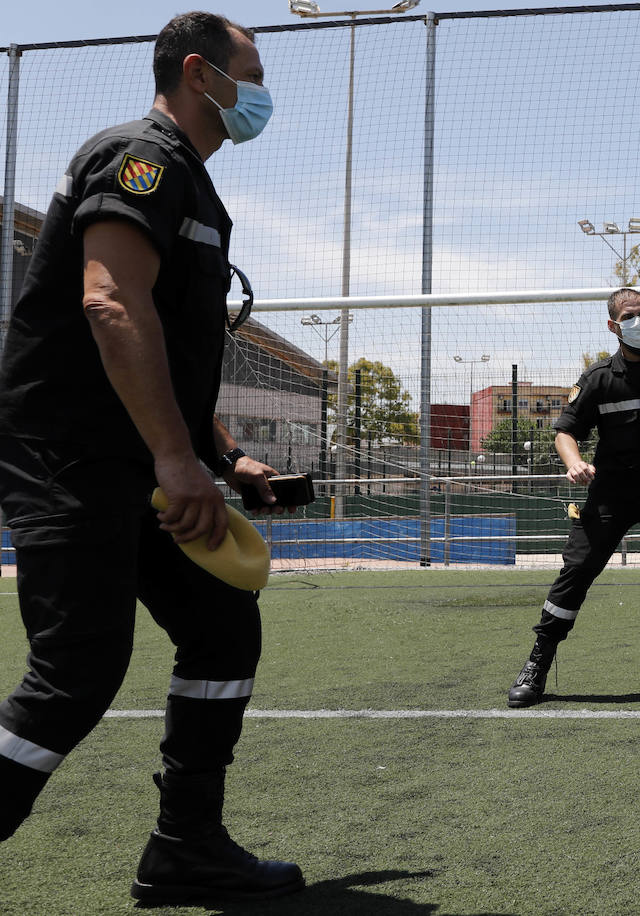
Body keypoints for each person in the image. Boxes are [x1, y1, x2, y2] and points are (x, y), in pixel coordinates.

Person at [0, 13, 304, 903]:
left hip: (141, 459)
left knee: (219, 625)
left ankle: (186, 847)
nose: (262, 89)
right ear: (202, 72)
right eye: (254, 68)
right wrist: (177, 463)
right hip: (72, 452)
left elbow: (170, 342)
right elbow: (110, 304)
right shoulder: (142, 158)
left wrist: (222, 455)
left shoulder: (194, 184)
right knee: (77, 669)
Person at [506, 288, 640, 707]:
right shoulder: (598, 379)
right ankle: (537, 664)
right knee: (578, 572)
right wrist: (573, 463)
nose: (639, 321)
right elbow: (565, 432)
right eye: (629, 316)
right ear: (613, 326)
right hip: (611, 495)